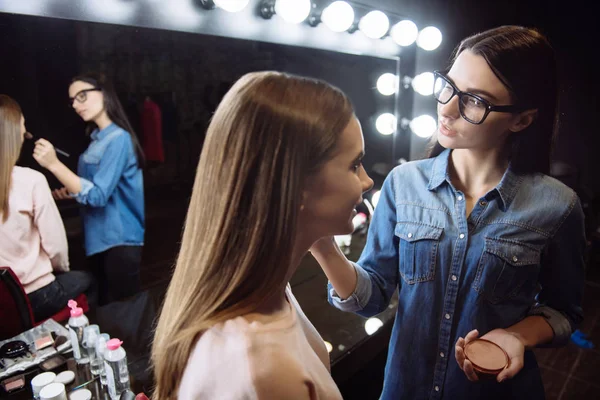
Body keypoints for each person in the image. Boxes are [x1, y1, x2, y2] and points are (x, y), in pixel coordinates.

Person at [310, 26, 585, 399]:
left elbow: (564, 312)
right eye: (448, 85)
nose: (447, 107)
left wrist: (516, 336)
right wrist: (321, 244)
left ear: (521, 120)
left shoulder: (557, 206)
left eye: (474, 100)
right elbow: (371, 298)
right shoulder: (402, 183)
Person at [151, 71, 374, 400]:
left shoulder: (268, 289)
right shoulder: (265, 371)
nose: (367, 181)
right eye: (355, 165)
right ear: (296, 185)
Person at [33, 73, 145, 305]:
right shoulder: (97, 140)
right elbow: (91, 188)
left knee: (124, 311)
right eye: (72, 100)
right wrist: (71, 191)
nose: (75, 104)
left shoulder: (118, 139)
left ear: (104, 94)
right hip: (97, 238)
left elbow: (98, 195)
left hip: (119, 239)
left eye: (82, 96)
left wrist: (54, 164)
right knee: (108, 309)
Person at [0, 94, 93, 321]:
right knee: (88, 280)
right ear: (15, 133)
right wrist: (61, 269)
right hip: (36, 295)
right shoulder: (31, 180)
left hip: (4, 301)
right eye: (22, 125)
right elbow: (57, 248)